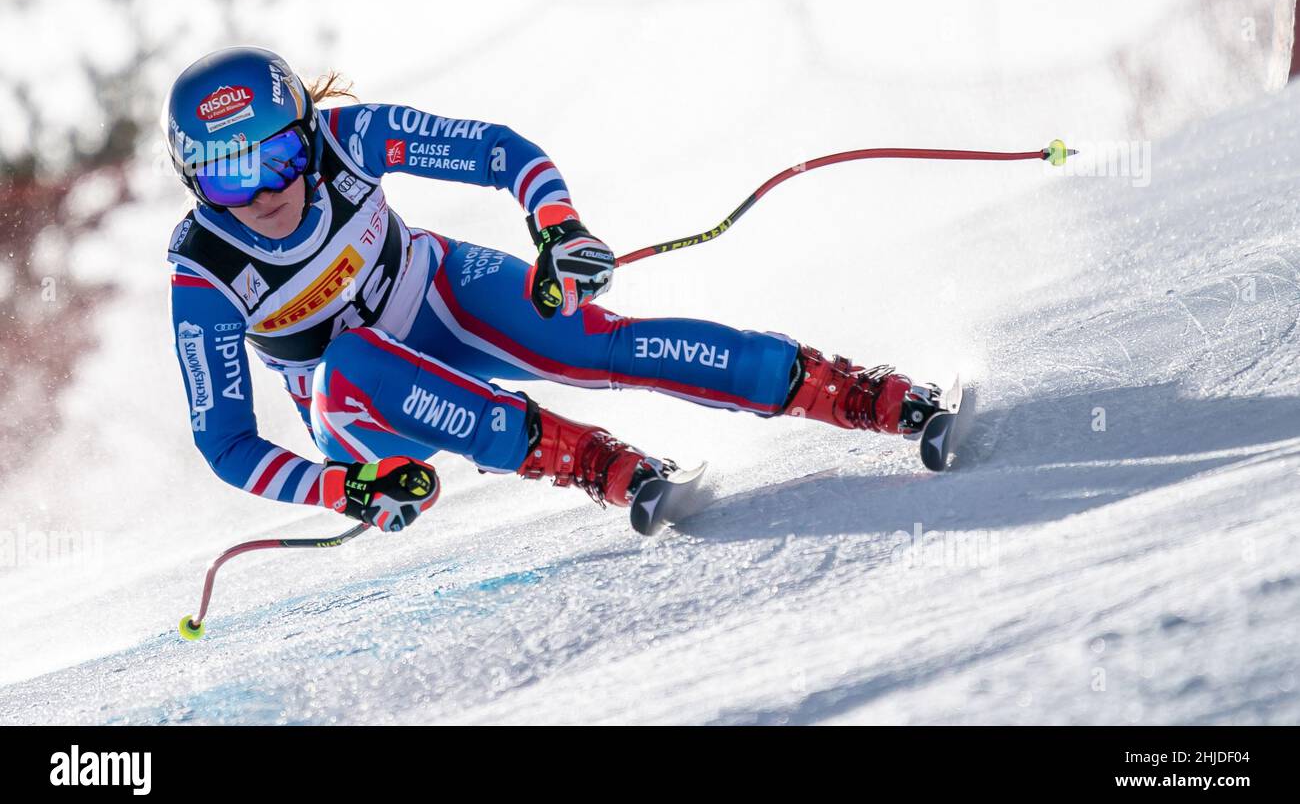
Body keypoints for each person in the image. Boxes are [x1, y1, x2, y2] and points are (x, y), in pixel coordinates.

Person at [165, 46, 940, 534]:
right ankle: (588, 462)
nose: (265, 192)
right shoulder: (205, 272)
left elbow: (498, 151)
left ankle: (855, 392)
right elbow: (226, 444)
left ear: (309, 130)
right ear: (195, 182)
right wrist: (341, 488)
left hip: (434, 291)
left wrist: (558, 228)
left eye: (279, 157)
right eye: (229, 175)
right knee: (351, 359)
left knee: (600, 341)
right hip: (362, 415)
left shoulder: (350, 139)